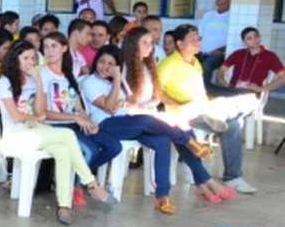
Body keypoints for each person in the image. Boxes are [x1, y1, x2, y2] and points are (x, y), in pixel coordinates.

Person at [82, 41, 226, 214]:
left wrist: (124, 98)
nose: (105, 66)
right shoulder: (90, 82)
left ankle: (162, 196)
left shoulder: (118, 82)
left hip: (128, 121)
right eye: (102, 62)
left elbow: (132, 101)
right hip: (107, 125)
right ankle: (188, 141)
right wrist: (118, 79)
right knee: (146, 121)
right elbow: (109, 107)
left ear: (118, 65)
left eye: (111, 64)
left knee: (162, 142)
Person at [0, 39, 117, 225]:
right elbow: (17, 117)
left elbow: (40, 112)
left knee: (63, 151)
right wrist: (36, 119)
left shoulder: (33, 80)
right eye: (25, 58)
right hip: (16, 135)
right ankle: (91, 184)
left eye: (33, 58)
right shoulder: (5, 82)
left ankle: (64, 205)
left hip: (35, 130)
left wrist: (39, 83)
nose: (30, 62)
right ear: (14, 59)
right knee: (68, 135)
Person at [157, 24, 257, 194]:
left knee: (244, 102)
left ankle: (222, 115)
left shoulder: (195, 62)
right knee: (231, 126)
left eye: (199, 38)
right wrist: (178, 104)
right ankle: (233, 177)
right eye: (192, 39)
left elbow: (200, 90)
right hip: (183, 112)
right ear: (180, 44)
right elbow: (156, 91)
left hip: (201, 106)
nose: (198, 42)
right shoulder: (168, 64)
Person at [39, 32, 121, 206]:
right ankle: (82, 185)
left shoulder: (68, 74)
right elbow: (43, 112)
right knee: (90, 150)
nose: (49, 50)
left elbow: (77, 106)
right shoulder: (42, 75)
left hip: (74, 123)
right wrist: (76, 118)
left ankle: (77, 178)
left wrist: (88, 121)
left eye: (54, 46)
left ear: (64, 48)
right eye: (46, 46)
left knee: (114, 146)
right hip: (55, 126)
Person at [213, 27, 285, 96]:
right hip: (233, 90)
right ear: (244, 42)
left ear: (260, 37)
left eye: (256, 36)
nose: (254, 40)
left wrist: (261, 89)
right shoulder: (238, 53)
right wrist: (222, 82)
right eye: (249, 38)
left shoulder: (270, 56)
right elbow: (221, 70)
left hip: (251, 93)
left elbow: (283, 78)